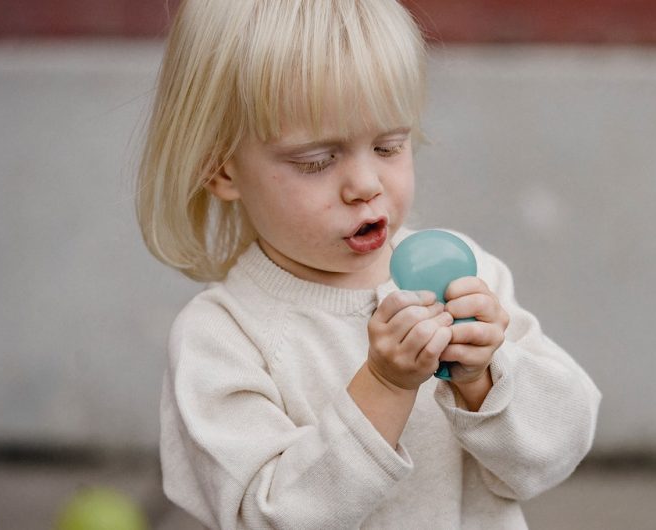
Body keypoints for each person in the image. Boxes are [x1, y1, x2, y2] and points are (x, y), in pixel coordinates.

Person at [136, 0, 601, 528]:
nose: (365, 184)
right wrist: (384, 388)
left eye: (389, 145)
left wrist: (485, 379)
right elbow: (261, 517)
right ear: (222, 171)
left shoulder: (467, 279)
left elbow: (556, 451)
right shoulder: (224, 338)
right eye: (317, 160)